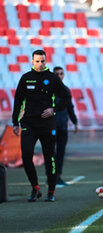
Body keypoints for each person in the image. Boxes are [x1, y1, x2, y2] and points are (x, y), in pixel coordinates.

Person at [12, 50, 71, 202]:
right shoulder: (26, 78)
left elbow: (66, 97)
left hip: (47, 124)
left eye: (43, 61)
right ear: (32, 61)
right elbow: (18, 101)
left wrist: (54, 110)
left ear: (46, 61)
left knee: (50, 156)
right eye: (37, 61)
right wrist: (15, 122)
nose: (40, 64)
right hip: (29, 123)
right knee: (26, 155)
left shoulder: (52, 78)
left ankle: (51, 191)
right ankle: (35, 188)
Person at [53, 66, 79, 187]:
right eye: (56, 74)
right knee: (51, 153)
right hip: (50, 127)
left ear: (63, 75)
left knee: (60, 152)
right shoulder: (49, 91)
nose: (59, 76)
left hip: (63, 126)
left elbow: (70, 107)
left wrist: (75, 122)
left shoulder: (66, 90)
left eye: (61, 73)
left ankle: (58, 177)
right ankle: (51, 177)